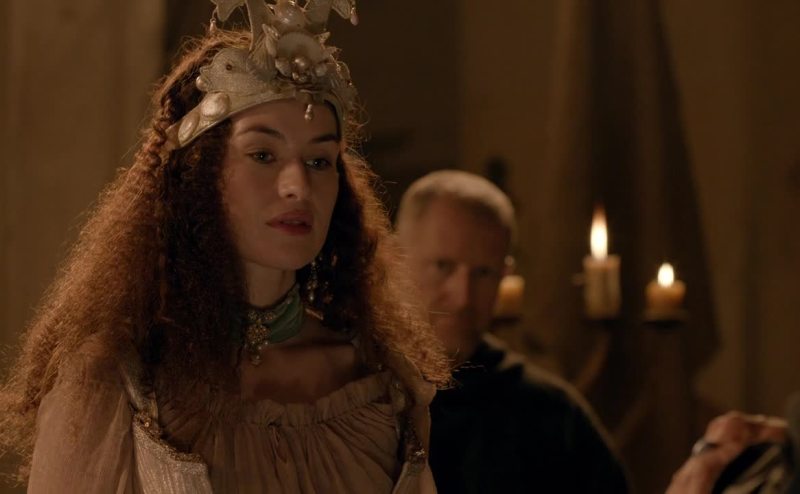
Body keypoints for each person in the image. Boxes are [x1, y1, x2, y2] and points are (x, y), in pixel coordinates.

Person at [0, 1, 450, 492]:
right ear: (200, 175)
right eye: (263, 154)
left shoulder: (383, 382)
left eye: (319, 161)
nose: (297, 186)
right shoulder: (122, 382)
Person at [395, 170, 629, 493]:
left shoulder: (549, 413)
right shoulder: (353, 388)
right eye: (443, 266)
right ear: (395, 258)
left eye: (484, 273)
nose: (463, 297)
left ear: (505, 275)